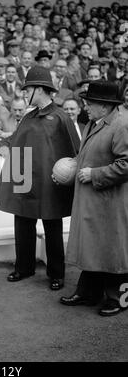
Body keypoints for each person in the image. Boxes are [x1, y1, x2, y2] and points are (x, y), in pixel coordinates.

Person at [0, 65, 80, 290]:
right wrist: (3, 146)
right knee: (22, 223)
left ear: (39, 89)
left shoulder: (61, 117)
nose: (24, 94)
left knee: (52, 227)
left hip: (50, 184)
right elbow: (15, 140)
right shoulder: (29, 117)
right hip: (25, 179)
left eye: (27, 89)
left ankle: (56, 274)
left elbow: (76, 151)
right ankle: (24, 267)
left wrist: (70, 176)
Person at [60, 80, 128, 317]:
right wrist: (71, 168)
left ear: (106, 105)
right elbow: (88, 154)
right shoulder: (94, 121)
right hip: (94, 198)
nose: (85, 105)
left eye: (90, 102)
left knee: (113, 250)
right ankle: (89, 292)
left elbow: (126, 164)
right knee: (94, 246)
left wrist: (94, 174)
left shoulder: (121, 124)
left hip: (110, 200)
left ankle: (118, 298)